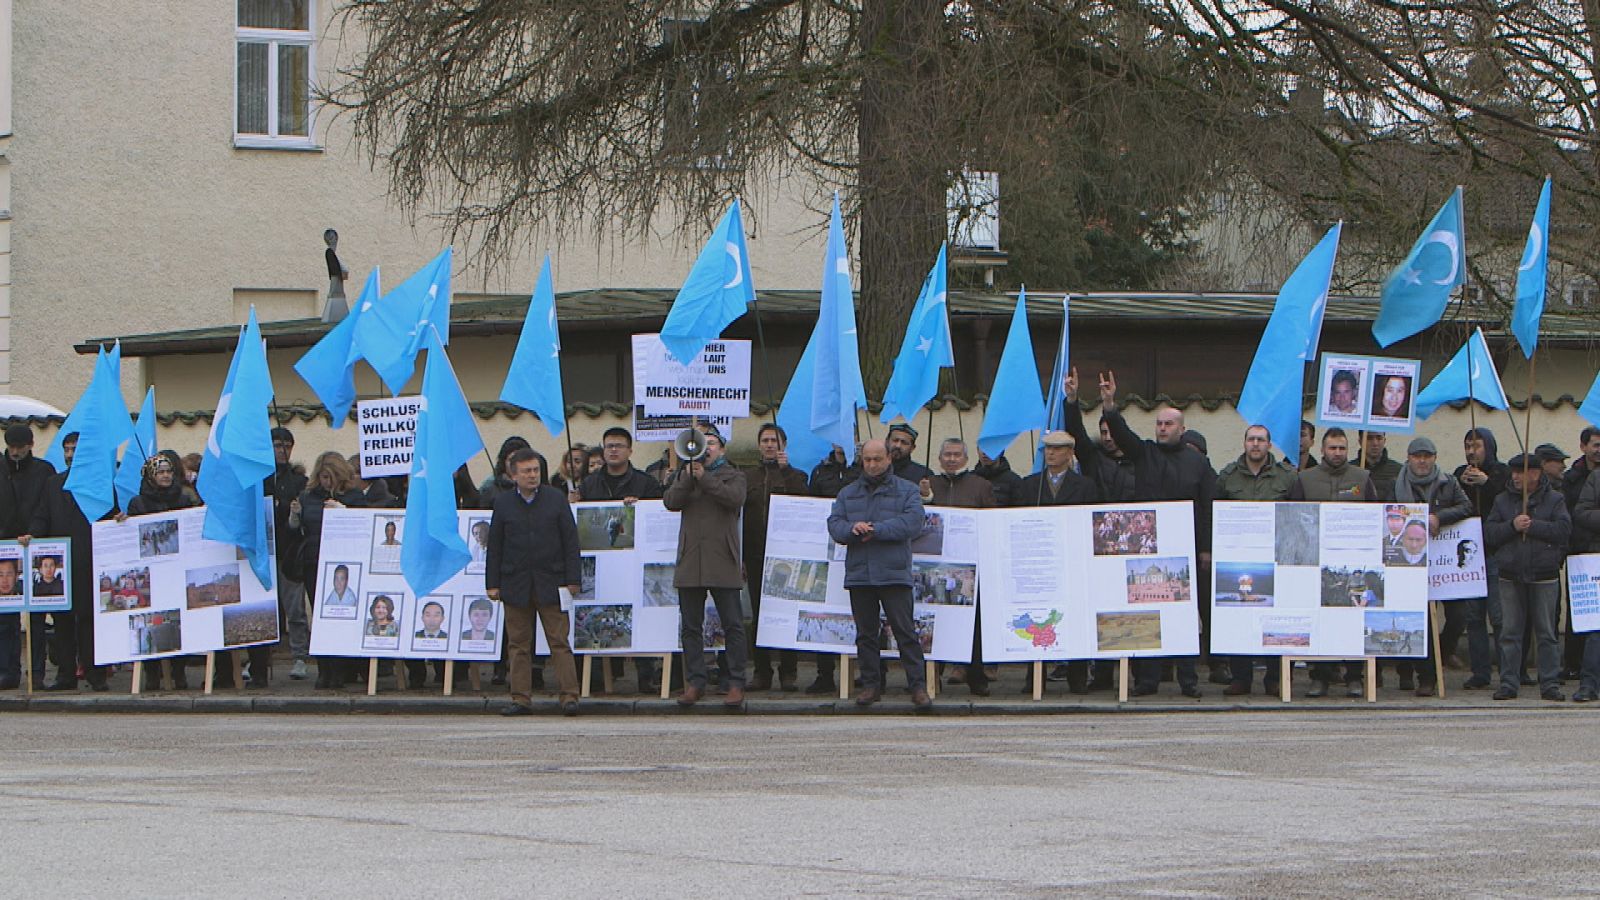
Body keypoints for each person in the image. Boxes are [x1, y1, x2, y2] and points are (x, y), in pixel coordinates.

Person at [1096, 370, 1212, 698]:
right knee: (1147, 611)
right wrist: (1109, 404)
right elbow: (1120, 433)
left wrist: (1205, 549)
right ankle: (1147, 680)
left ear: (1182, 429)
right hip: (1147, 550)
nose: (1162, 428)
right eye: (1159, 424)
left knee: (1185, 617)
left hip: (1185, 550)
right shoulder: (1145, 452)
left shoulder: (1198, 463)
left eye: (1169, 424)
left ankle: (1188, 680)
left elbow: (1206, 507)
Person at [826, 439, 931, 709]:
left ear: (888, 460)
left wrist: (877, 530)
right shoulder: (848, 493)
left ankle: (918, 686)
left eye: (877, 459)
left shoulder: (907, 490)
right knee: (866, 634)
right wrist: (852, 529)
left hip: (894, 572)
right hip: (860, 574)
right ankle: (871, 685)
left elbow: (913, 523)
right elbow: (835, 524)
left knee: (905, 632)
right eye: (867, 460)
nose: (872, 465)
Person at [487, 448, 582, 716]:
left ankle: (569, 697)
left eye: (536, 470)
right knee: (518, 644)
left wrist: (573, 579)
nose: (532, 475)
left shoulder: (555, 499)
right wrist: (492, 583)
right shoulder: (503, 503)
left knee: (559, 642)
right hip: (515, 583)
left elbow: (570, 541)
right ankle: (520, 698)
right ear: (513, 474)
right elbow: (495, 546)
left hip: (552, 581)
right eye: (526, 471)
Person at [1288, 427, 1378, 698]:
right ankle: (1320, 677)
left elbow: (1375, 515)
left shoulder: (1362, 478)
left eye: (1342, 448)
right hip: (1317, 564)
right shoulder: (1304, 479)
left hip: (1353, 562)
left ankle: (1354, 676)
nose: (1337, 453)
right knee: (1320, 620)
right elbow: (1294, 517)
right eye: (1332, 448)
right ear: (1322, 450)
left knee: (1353, 618)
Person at [573, 426, 663, 693]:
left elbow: (658, 515)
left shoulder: (645, 483)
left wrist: (640, 508)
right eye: (608, 446)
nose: (613, 450)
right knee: (601, 615)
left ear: (629, 450)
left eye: (618, 446)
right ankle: (599, 678)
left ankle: (646, 675)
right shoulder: (589, 484)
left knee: (639, 616)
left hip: (635, 561)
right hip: (601, 564)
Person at [664, 426, 749, 707]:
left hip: (722, 558)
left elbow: (733, 499)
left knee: (733, 624)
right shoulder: (684, 476)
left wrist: (706, 478)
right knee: (690, 626)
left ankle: (736, 682)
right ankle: (695, 681)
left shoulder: (733, 475)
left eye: (712, 443)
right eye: (704, 443)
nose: (707, 448)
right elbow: (671, 502)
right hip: (691, 559)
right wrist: (687, 479)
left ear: (722, 449)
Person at [1214, 424, 1296, 696]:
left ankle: (1274, 677)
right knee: (1239, 617)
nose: (1256, 444)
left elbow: (1297, 514)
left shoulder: (1287, 477)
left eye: (1261, 440)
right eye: (1251, 439)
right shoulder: (1227, 476)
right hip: (1238, 558)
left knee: (1275, 616)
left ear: (1269, 445)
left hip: (1275, 558)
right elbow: (1214, 513)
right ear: (1244, 443)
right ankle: (1241, 677)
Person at [1389, 437, 1473, 695]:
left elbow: (1466, 506)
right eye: (1417, 456)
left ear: (1435, 458)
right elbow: (1388, 514)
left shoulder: (1449, 482)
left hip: (1445, 562)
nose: (1422, 461)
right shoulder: (1397, 485)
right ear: (1409, 458)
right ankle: (1424, 676)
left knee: (1458, 615)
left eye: (1427, 456)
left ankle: (1443, 651)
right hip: (1410, 558)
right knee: (1418, 619)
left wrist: (1439, 517)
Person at [21, 433, 104, 691]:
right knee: (63, 622)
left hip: (90, 562)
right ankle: (66, 675)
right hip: (60, 565)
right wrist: (32, 535)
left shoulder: (100, 484)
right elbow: (42, 516)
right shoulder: (53, 484)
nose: (69, 455)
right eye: (66, 449)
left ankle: (95, 674)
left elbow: (110, 517)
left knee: (90, 622)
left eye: (75, 449)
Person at [1485, 453, 1570, 702]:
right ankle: (1509, 682)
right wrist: (1512, 526)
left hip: (1544, 575)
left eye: (1520, 472)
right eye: (1513, 472)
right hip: (1509, 575)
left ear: (1535, 473)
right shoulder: (1502, 501)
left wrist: (1533, 526)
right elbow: (1489, 533)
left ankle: (1550, 683)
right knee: (1510, 632)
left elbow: (1564, 531)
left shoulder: (1555, 500)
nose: (1515, 477)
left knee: (1546, 632)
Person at [919, 437, 997, 696]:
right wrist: (925, 499)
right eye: (947, 454)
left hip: (970, 567)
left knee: (972, 627)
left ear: (965, 458)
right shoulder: (929, 484)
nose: (951, 459)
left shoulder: (981, 486)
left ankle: (977, 677)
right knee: (936, 623)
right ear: (939, 458)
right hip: (934, 567)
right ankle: (932, 677)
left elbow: (991, 523)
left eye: (956, 455)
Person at [742, 422, 811, 692]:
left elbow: (804, 503)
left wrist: (785, 473)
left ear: (784, 446)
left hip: (786, 557)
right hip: (756, 555)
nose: (770, 444)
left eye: (775, 440)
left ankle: (788, 672)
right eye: (766, 440)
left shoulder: (797, 475)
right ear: (759, 445)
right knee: (759, 616)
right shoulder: (746, 477)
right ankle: (761, 671)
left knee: (786, 613)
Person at [291, 452, 368, 689]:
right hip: (315, 563)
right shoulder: (308, 497)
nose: (327, 482)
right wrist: (295, 516)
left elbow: (364, 526)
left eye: (331, 477)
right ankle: (325, 670)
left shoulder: (354, 497)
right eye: (324, 477)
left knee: (344, 618)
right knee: (321, 618)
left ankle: (344, 671)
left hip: (346, 566)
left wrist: (342, 511)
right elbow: (296, 530)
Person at [1454, 427, 1512, 690]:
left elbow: (1506, 502)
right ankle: (1480, 671)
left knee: (1500, 617)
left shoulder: (1502, 473)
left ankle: (1509, 671)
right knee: (1474, 618)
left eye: (1476, 446)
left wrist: (1486, 483)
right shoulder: (1459, 474)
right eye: (1467, 446)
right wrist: (1464, 484)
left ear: (1488, 446)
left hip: (1495, 553)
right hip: (1469, 556)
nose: (1471, 451)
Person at [0, 424, 55, 690]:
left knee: (36, 618)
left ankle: (37, 673)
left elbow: (47, 506)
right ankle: (8, 671)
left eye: (20, 447)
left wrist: (34, 532)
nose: (15, 452)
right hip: (5, 549)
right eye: (11, 447)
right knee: (6, 617)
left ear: (30, 445)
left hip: (36, 546)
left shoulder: (44, 471)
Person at [267, 427, 311, 682]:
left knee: (295, 608)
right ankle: (260, 659)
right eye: (277, 445)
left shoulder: (298, 481)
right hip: (265, 552)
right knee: (265, 610)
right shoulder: (261, 478)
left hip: (290, 552)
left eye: (287, 446)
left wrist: (292, 512)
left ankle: (299, 656)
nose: (282, 451)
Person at [1356, 431, 1402, 501]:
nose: (1375, 443)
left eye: (1379, 438)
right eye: (1369, 438)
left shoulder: (1399, 471)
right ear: (1360, 441)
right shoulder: (1350, 470)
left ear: (1384, 441)